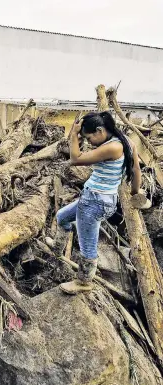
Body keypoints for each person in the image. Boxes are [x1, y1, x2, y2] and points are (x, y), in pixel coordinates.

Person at [56, 111, 142, 294]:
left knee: (88, 247)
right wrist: (135, 191)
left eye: (88, 138)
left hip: (94, 203)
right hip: (95, 199)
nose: (88, 142)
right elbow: (135, 169)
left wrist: (73, 135)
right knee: (62, 217)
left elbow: (75, 159)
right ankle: (57, 248)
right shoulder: (126, 141)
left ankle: (84, 282)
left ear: (100, 131)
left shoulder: (112, 148)